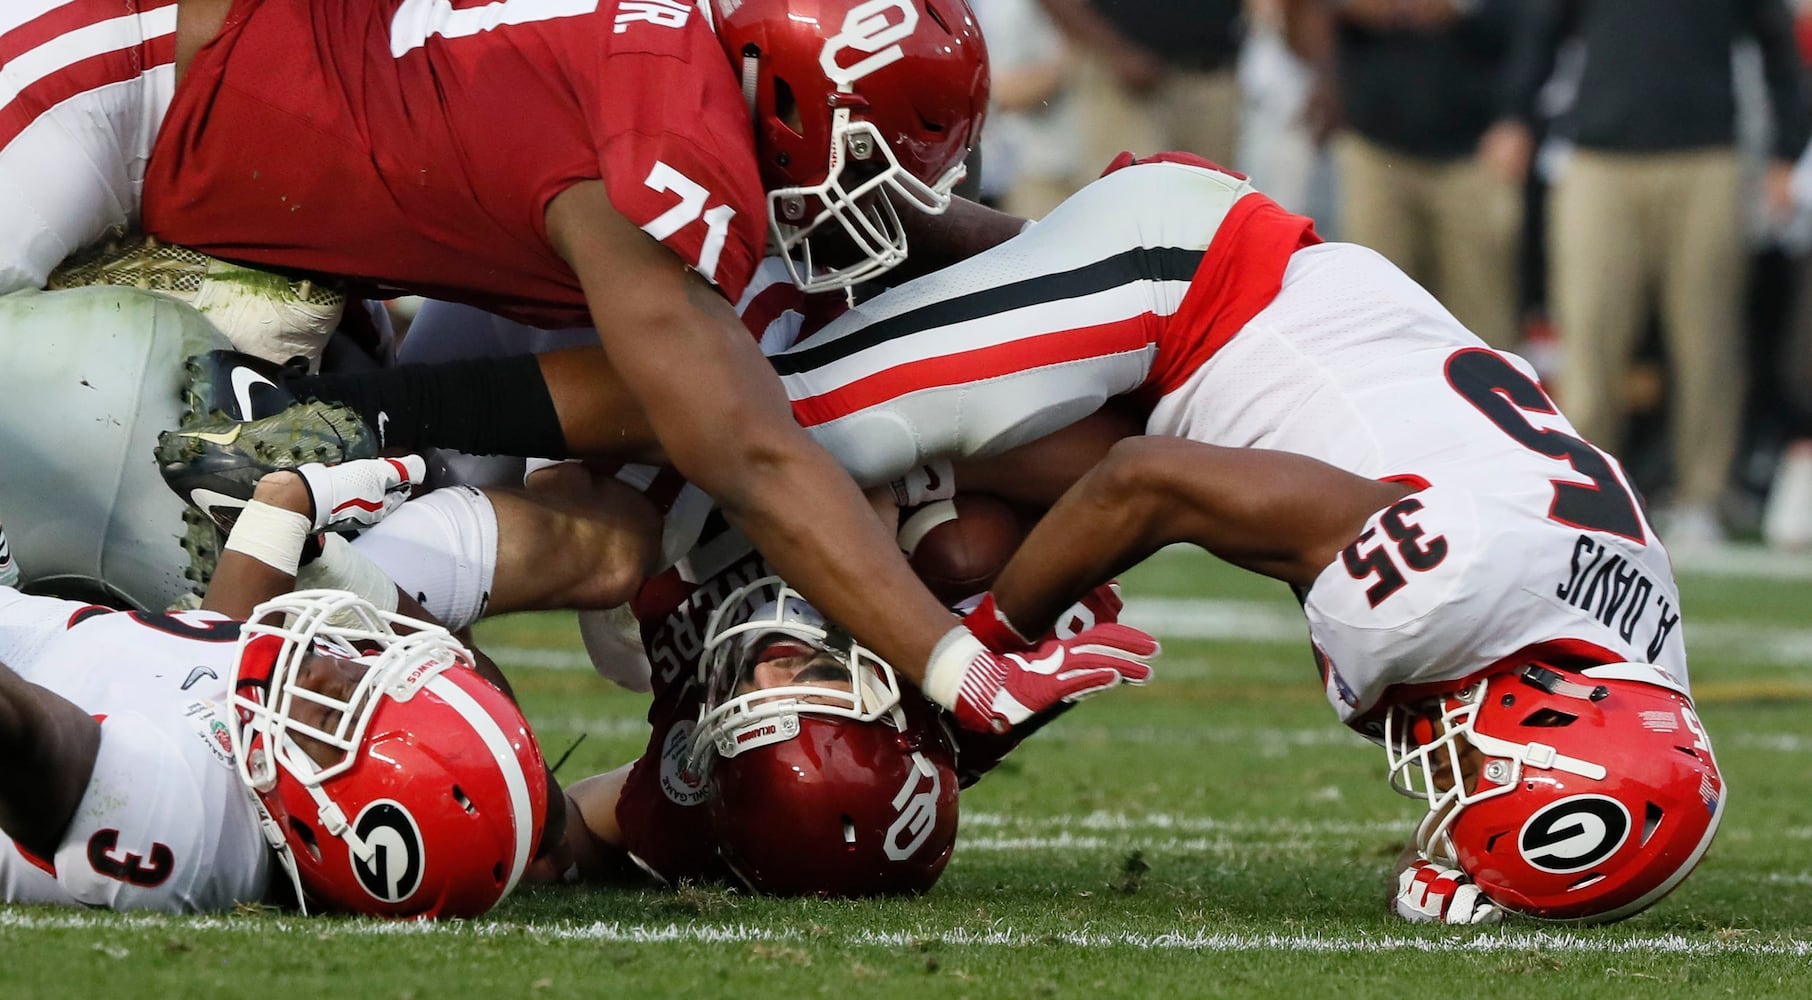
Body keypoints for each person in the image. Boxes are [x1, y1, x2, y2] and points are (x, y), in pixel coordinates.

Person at [751, 152, 1724, 923]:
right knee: (780, 425)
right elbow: (1148, 486)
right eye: (1484, 776)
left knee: (961, 552)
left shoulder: (1642, 662)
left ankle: (833, 224)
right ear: (1546, 716)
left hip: (1221, 358)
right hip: (1191, 282)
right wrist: (986, 661)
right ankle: (673, 242)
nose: (1449, 786)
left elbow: (1190, 487)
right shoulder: (1443, 591)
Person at [142, 0, 1142, 738]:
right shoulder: (666, 151)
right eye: (868, 175)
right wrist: (961, 667)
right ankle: (200, 690)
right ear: (782, 94)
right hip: (158, 133)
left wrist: (1109, 258)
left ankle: (330, 450)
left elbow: (907, 223)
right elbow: (758, 458)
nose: (878, 217)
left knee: (657, 438)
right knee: (700, 442)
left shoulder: (692, 66)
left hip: (299, 159)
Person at [0, 458, 554, 916]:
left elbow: (27, 737)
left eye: (338, 708)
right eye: (366, 673)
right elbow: (217, 652)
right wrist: (285, 511)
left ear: (336, 825)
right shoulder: (266, 747)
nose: (323, 667)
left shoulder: (191, 820)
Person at [1479, 0, 1812, 545]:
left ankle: (1702, 495)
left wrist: (1786, 147)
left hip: (1705, 155)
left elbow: (1775, 42)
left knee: (1707, 339)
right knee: (1589, 335)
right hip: (1598, 155)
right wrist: (1515, 116)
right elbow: (1542, 28)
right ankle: (1586, 487)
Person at [1290, 0, 1524, 349]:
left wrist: (1517, 116)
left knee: (1481, 324)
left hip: (1474, 146)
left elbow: (1534, 20)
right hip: (1376, 141)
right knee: (1376, 316)